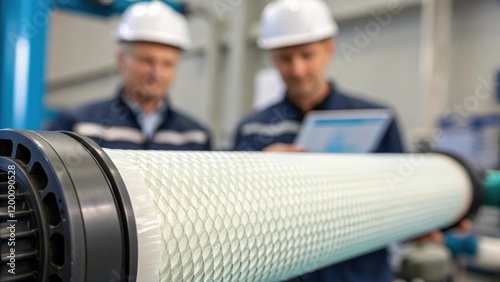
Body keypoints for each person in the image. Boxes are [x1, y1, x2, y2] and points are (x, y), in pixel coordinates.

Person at [233, 0, 403, 281]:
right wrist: (257, 170)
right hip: (281, 272)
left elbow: (402, 197)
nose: (297, 69)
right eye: (285, 58)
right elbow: (229, 212)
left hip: (358, 273)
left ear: (329, 48)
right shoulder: (252, 129)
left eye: (307, 55)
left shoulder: (377, 120)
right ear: (273, 58)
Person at [49, 1, 211, 150]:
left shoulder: (196, 136)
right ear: (121, 61)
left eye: (167, 64)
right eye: (147, 61)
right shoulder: (78, 125)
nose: (157, 73)